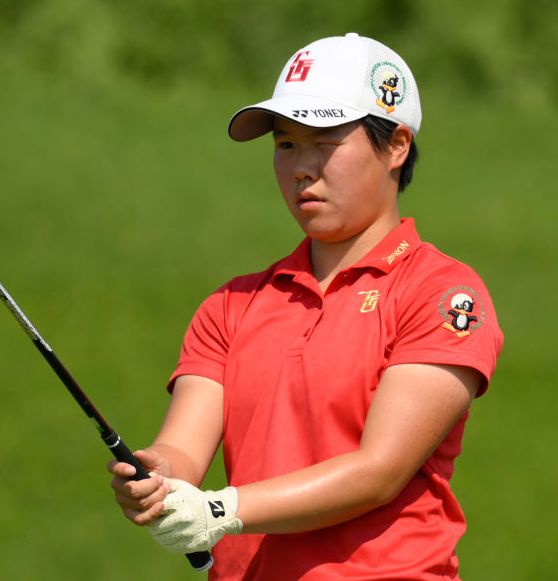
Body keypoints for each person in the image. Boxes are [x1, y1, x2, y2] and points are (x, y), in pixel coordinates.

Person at [107, 33, 504, 580]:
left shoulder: (440, 293)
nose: (301, 168)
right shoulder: (231, 305)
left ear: (397, 146)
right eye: (286, 144)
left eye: (324, 141)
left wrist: (221, 509)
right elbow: (182, 450)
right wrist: (159, 475)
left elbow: (379, 472)